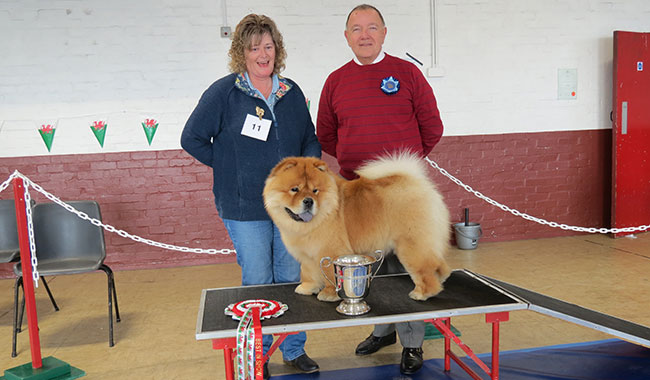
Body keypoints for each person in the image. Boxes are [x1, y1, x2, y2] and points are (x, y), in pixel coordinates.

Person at [181, 14, 321, 379]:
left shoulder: (290, 93)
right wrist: (229, 168)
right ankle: (257, 355)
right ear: (241, 53)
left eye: (269, 46)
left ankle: (293, 349)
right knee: (258, 279)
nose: (263, 53)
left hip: (290, 208)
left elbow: (309, 137)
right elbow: (191, 138)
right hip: (244, 207)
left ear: (278, 50)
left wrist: (309, 168)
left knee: (291, 276)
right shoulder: (224, 93)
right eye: (255, 47)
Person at [316, 4, 444, 375]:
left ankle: (413, 343)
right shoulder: (336, 81)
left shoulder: (407, 74)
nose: (365, 35)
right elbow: (326, 132)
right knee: (369, 266)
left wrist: (403, 170)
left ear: (385, 33)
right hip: (357, 196)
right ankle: (384, 328)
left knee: (405, 265)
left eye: (372, 27)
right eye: (357, 29)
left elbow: (432, 128)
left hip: (402, 196)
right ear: (347, 37)